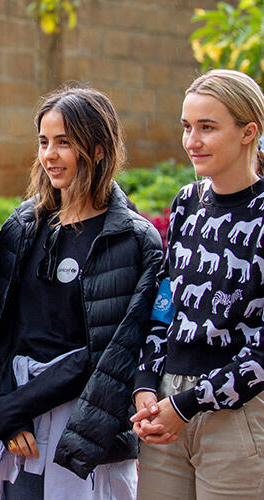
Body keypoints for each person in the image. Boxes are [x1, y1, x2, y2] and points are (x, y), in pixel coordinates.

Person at [0, 87, 163, 499]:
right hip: (18, 422)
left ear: (99, 149)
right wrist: (6, 412)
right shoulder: (23, 226)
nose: (49, 155)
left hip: (87, 417)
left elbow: (114, 348)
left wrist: (14, 406)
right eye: (44, 142)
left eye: (64, 142)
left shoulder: (134, 240)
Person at [132, 69, 264, 499]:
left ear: (248, 132)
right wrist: (146, 383)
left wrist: (188, 406)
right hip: (166, 405)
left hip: (239, 413)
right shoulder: (187, 203)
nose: (191, 141)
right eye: (187, 127)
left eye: (207, 127)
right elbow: (165, 303)